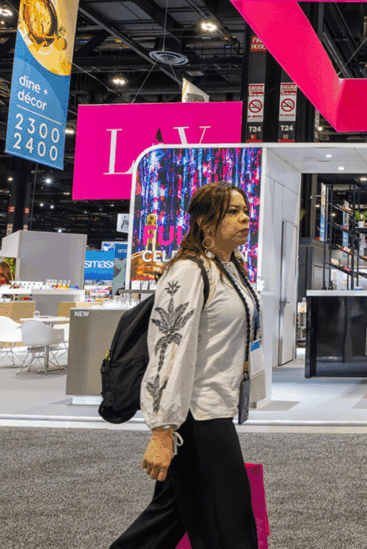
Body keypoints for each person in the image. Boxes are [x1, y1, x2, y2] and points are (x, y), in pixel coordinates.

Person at [111, 182, 261, 549]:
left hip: (215, 408)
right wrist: (162, 429)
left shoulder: (228, 268)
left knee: (165, 522)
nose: (245, 218)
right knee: (231, 528)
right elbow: (168, 350)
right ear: (205, 222)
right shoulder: (189, 272)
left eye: (245, 210)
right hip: (196, 417)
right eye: (233, 212)